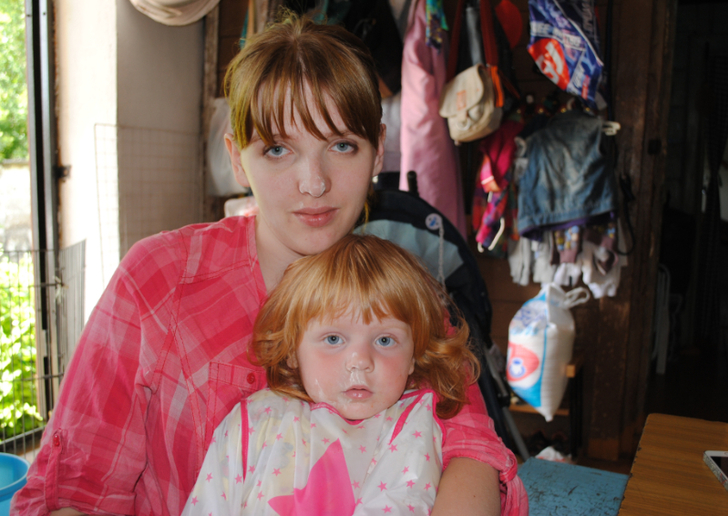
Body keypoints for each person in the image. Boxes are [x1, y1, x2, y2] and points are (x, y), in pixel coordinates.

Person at [13, 12, 525, 516]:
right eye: (278, 149)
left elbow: (470, 447)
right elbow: (77, 490)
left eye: (342, 145)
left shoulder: (402, 294)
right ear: (238, 158)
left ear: (377, 152)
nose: (314, 183)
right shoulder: (159, 279)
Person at [181, 234, 482, 514]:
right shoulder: (253, 419)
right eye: (334, 339)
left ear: (414, 356)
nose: (360, 361)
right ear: (292, 350)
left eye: (384, 340)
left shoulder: (412, 424)